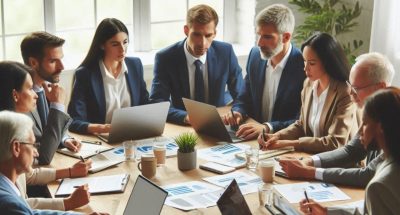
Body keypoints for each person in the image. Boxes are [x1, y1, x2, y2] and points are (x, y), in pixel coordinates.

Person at [278, 52, 394, 187]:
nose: (350, 93)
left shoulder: (394, 119)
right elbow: (352, 150)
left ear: (381, 87)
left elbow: (367, 175)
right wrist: (309, 161)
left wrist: (310, 172)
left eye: (356, 88)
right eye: (350, 85)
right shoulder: (374, 111)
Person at [0, 61, 92, 211]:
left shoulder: (13, 124)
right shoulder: (8, 134)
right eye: (30, 89)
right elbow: (18, 204)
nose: (36, 94)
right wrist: (67, 203)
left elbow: (26, 177)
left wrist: (69, 172)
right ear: (15, 95)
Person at [300, 87, 400, 215]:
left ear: (380, 127)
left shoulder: (379, 186)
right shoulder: (389, 159)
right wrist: (327, 212)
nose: (360, 132)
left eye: (364, 123)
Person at [258, 32, 358, 153]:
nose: (305, 68)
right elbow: (301, 125)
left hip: (341, 165)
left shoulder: (345, 92)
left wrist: (290, 143)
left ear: (328, 63)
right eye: (304, 61)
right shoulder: (308, 84)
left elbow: (335, 142)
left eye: (311, 63)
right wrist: (277, 136)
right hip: (311, 157)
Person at [150, 4, 244, 125]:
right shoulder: (166, 58)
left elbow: (242, 96)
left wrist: (237, 112)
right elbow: (158, 103)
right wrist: (187, 117)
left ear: (214, 33)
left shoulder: (226, 52)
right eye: (197, 35)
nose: (202, 43)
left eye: (208, 35)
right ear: (186, 30)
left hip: (220, 123)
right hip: (183, 126)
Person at [223, 4, 305, 140]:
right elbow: (245, 96)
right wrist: (238, 111)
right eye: (258, 35)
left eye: (267, 37)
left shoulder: (304, 67)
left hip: (283, 141)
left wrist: (267, 127)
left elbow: (301, 120)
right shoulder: (255, 55)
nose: (259, 43)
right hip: (251, 138)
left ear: (285, 37)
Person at [68, 18, 149, 134]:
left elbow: (145, 104)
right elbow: (74, 121)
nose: (122, 49)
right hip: (101, 139)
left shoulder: (135, 65)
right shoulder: (85, 74)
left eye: (125, 42)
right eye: (115, 44)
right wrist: (101, 128)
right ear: (102, 45)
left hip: (133, 135)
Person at [20, 32, 81, 165]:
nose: (62, 67)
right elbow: (43, 156)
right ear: (33, 62)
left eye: (61, 59)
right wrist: (57, 105)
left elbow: (50, 130)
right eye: (53, 61)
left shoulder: (48, 87)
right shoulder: (20, 100)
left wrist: (64, 139)